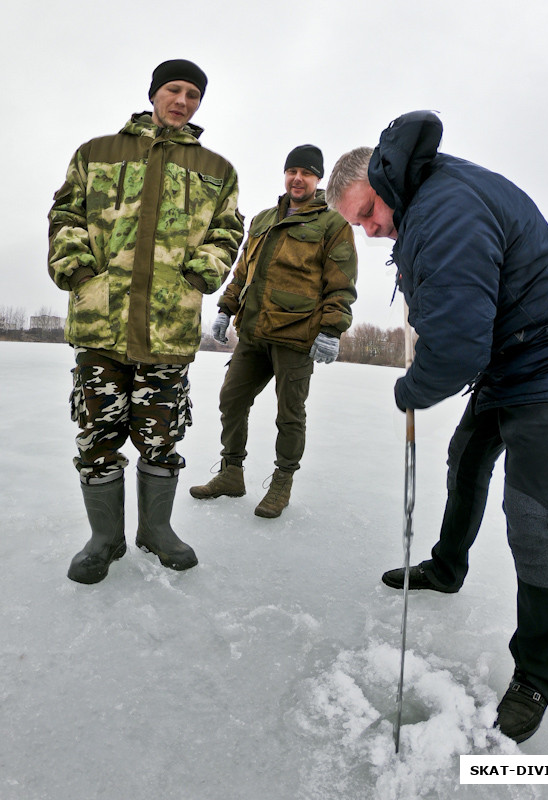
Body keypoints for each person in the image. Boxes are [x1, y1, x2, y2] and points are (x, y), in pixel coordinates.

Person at [326, 110, 548, 744]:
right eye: (358, 225)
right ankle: (448, 567)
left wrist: (412, 388)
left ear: (384, 178)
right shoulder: (425, 201)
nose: (368, 230)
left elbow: (457, 346)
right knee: (466, 459)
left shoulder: (445, 209)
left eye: (367, 213)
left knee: (532, 516)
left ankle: (536, 674)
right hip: (512, 359)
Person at [48, 59, 245, 584]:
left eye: (194, 95)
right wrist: (77, 267)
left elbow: (228, 232)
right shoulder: (97, 153)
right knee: (97, 435)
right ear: (155, 93)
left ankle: (156, 531)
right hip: (101, 325)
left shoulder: (217, 168)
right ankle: (104, 539)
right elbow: (65, 214)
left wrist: (204, 271)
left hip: (167, 327)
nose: (183, 101)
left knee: (161, 437)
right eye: (174, 90)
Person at [189, 145, 358, 518]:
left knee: (290, 414)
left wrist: (331, 330)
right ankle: (232, 473)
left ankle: (282, 483)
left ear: (319, 180)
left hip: (297, 337)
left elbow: (340, 284)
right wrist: (224, 308)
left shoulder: (333, 224)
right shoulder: (263, 219)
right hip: (253, 332)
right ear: (285, 175)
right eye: (292, 171)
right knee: (231, 400)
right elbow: (242, 271)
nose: (298, 178)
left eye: (307, 173)